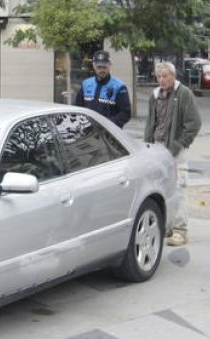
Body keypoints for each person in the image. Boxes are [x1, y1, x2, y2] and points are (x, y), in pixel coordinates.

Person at [143, 61, 202, 246]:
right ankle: (167, 227)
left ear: (173, 76)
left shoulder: (183, 94)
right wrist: (147, 146)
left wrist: (179, 144)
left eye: (165, 76)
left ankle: (180, 230)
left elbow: (194, 123)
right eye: (159, 76)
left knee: (179, 188)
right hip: (157, 149)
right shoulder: (155, 95)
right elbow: (150, 124)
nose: (162, 79)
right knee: (161, 189)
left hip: (176, 151)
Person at [74, 50, 132, 127]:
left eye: (104, 66)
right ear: (94, 65)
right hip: (87, 132)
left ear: (110, 65)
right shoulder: (86, 84)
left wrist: (106, 124)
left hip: (108, 133)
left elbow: (125, 113)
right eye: (99, 67)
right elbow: (78, 109)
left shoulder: (119, 87)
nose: (102, 70)